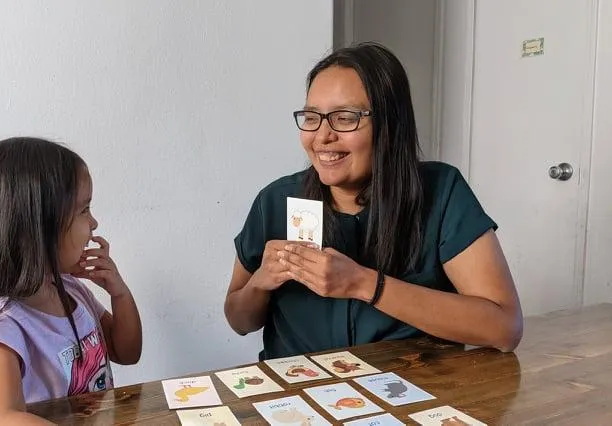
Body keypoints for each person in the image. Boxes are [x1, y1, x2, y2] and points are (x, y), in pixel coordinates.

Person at [224, 42, 523, 361]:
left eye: (344, 117)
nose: (322, 136)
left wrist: (366, 284)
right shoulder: (276, 200)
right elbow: (239, 321)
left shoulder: (441, 192)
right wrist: (260, 283)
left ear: (390, 124)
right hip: (299, 396)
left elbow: (504, 329)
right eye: (312, 118)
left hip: (408, 390)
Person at [0, 137, 142, 425]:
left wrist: (120, 293)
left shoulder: (71, 291)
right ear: (35, 227)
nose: (94, 223)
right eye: (84, 210)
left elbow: (127, 352)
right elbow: (0, 417)